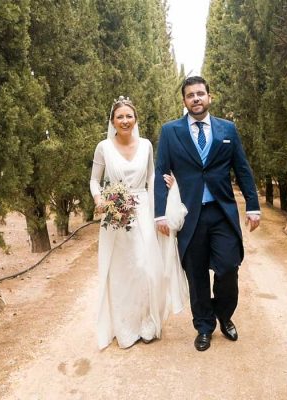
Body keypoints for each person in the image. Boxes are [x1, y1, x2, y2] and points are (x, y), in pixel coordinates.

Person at [154, 76, 261, 351]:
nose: (196, 99)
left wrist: (252, 206)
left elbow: (243, 169)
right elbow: (161, 173)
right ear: (184, 101)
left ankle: (224, 315)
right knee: (196, 273)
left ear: (209, 97)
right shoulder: (170, 132)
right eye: (190, 95)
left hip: (221, 212)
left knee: (228, 267)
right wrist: (159, 214)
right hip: (189, 215)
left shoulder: (228, 129)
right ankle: (204, 325)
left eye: (200, 93)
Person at [90, 97, 187, 350]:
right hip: (116, 213)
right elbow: (94, 181)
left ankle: (148, 322)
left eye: (129, 116)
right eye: (119, 117)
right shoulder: (103, 147)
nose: (125, 121)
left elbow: (153, 175)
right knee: (123, 271)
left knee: (147, 268)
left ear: (135, 120)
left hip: (143, 208)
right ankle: (125, 328)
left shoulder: (145, 145)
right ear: (112, 121)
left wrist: (166, 193)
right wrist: (100, 199)